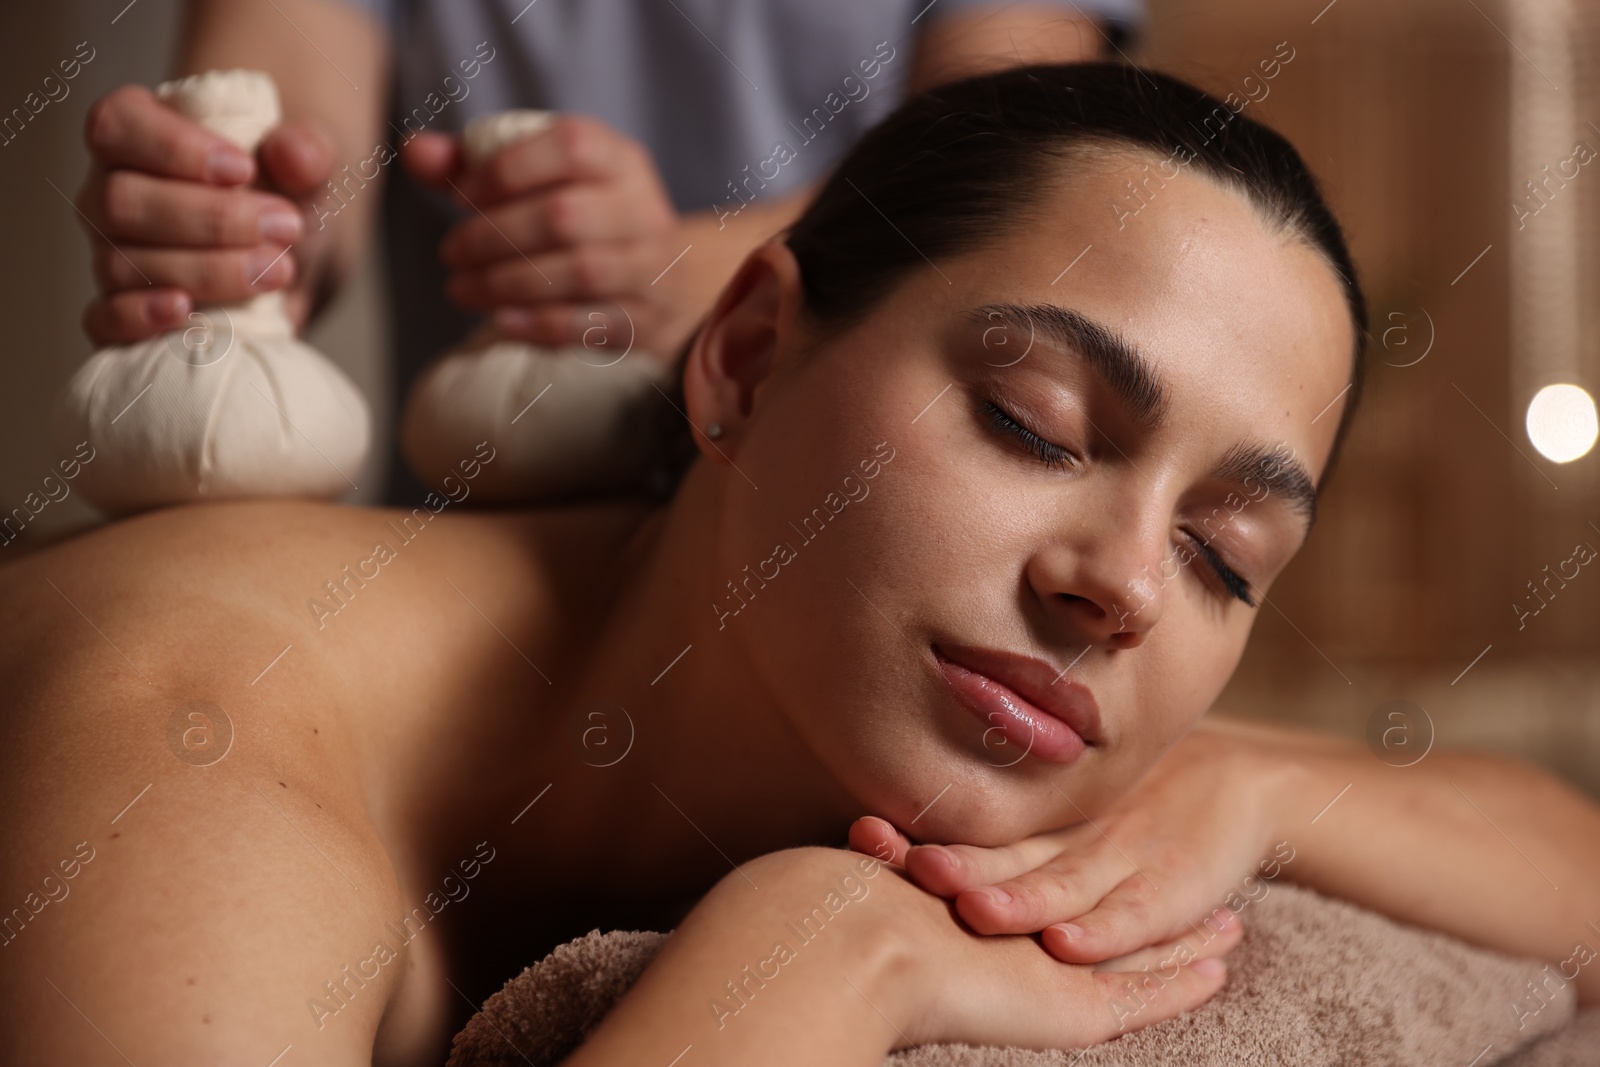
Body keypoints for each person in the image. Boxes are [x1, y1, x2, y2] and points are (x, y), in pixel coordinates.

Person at [9, 62, 1598, 1067]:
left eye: (1225, 554)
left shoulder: (982, 681)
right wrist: (814, 966)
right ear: (748, 354)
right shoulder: (192, 754)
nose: (1122, 582)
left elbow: (1569, 862)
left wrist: (1245, 788)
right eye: (1034, 422)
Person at [75, 0, 1139, 501]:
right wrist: (235, 227)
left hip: (832, 542)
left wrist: (684, 276)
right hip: (463, 555)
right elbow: (296, 126)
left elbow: (1007, 165)